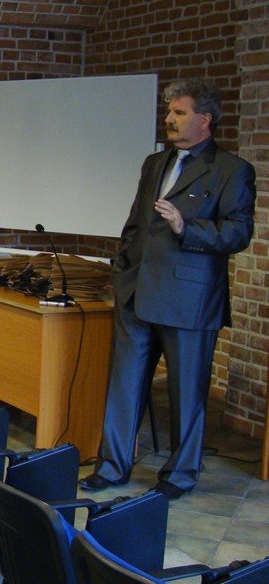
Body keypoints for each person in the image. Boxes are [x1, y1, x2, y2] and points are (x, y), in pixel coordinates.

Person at [80, 80, 255, 499]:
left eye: (179, 112)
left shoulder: (232, 170)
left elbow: (238, 233)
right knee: (123, 386)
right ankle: (112, 466)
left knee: (187, 392)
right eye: (169, 111)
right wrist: (122, 269)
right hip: (136, 293)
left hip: (189, 302)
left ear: (205, 120)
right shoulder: (154, 163)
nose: (169, 119)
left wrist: (185, 226)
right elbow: (135, 224)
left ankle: (179, 475)